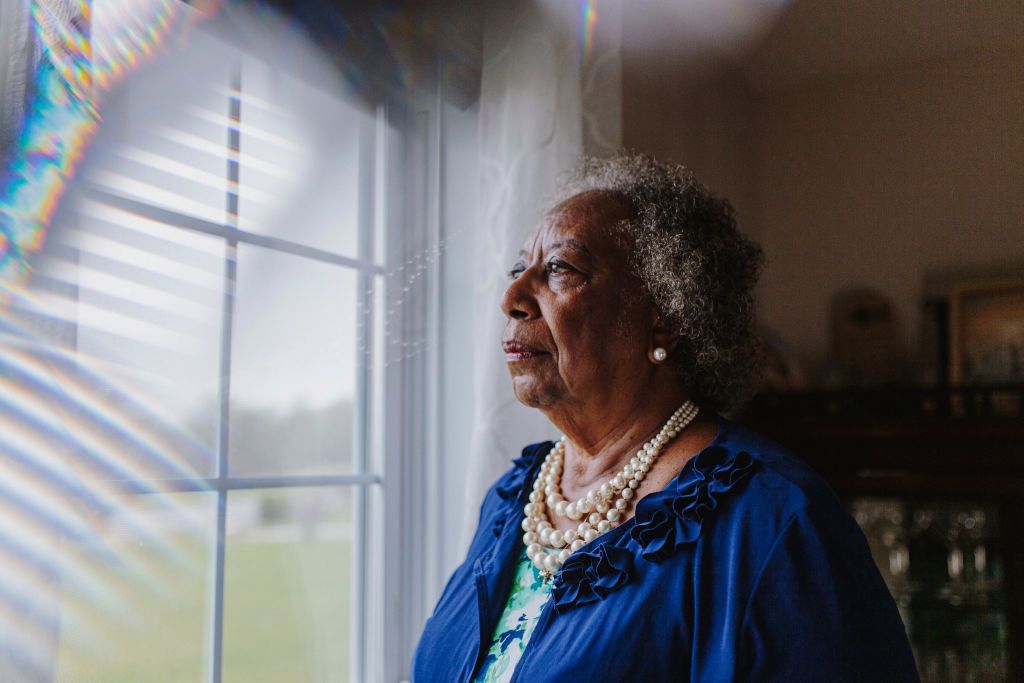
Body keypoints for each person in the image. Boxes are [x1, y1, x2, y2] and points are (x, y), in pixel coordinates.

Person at [412, 154, 919, 682]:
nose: (512, 298)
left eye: (560, 269)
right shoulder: (511, 500)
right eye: (519, 271)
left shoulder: (774, 520)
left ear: (667, 316)